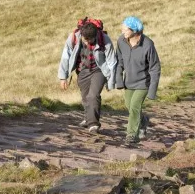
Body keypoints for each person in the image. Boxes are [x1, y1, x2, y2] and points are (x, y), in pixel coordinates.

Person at [58, 17, 117, 132]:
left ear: (95, 35)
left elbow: (112, 61)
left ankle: (93, 124)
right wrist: (63, 77)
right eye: (85, 39)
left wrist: (111, 81)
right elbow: (65, 57)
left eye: (90, 40)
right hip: (82, 70)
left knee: (93, 95)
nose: (87, 42)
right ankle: (88, 118)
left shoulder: (105, 39)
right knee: (85, 97)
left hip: (99, 70)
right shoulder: (73, 37)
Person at [116, 16, 161, 146]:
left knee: (135, 107)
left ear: (134, 30)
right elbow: (119, 61)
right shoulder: (121, 41)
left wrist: (152, 91)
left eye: (125, 29)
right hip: (129, 82)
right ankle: (143, 121)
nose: (122, 31)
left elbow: (155, 68)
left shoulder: (148, 44)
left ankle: (131, 135)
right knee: (129, 106)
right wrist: (119, 80)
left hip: (143, 83)